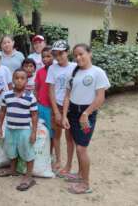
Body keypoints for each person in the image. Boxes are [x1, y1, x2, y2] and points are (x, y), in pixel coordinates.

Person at [62, 43, 110, 194]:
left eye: (81, 54)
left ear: (90, 53)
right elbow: (67, 96)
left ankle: (85, 184)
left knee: (82, 148)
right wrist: (64, 115)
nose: (78, 57)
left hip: (86, 115)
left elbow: (100, 98)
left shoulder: (98, 72)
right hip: (73, 113)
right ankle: (79, 174)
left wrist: (86, 113)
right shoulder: (73, 72)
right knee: (77, 145)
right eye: (75, 55)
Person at [0, 69, 38, 191]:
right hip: (10, 129)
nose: (19, 80)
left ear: (26, 81)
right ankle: (12, 170)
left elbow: (34, 115)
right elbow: (2, 111)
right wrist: (0, 127)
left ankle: (29, 176)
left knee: (27, 152)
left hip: (24, 130)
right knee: (11, 150)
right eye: (17, 78)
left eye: (22, 78)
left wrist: (34, 132)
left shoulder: (30, 97)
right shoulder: (6, 95)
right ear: (13, 80)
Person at [46, 40, 77, 176]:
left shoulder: (76, 67)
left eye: (61, 53)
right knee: (56, 135)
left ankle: (68, 164)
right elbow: (51, 91)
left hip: (72, 106)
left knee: (69, 137)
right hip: (57, 105)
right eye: (55, 54)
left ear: (67, 52)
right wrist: (56, 111)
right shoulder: (52, 68)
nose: (58, 57)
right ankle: (58, 160)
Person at [35, 46, 54, 150]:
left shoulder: (57, 71)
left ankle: (50, 153)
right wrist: (36, 100)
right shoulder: (40, 72)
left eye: (48, 56)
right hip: (41, 106)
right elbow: (36, 88)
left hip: (53, 107)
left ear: (54, 56)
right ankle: (42, 151)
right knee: (41, 130)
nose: (45, 59)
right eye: (43, 57)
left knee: (52, 132)